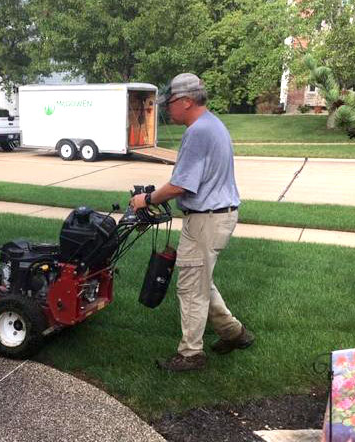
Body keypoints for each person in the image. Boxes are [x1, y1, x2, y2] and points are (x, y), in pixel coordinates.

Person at [129, 73, 254, 372]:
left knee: (190, 288)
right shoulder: (213, 124)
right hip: (217, 216)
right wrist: (157, 194)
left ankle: (190, 355)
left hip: (206, 220)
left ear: (186, 102)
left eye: (169, 103)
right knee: (201, 281)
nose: (166, 108)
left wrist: (146, 200)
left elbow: (181, 185)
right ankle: (234, 333)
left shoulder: (198, 132)